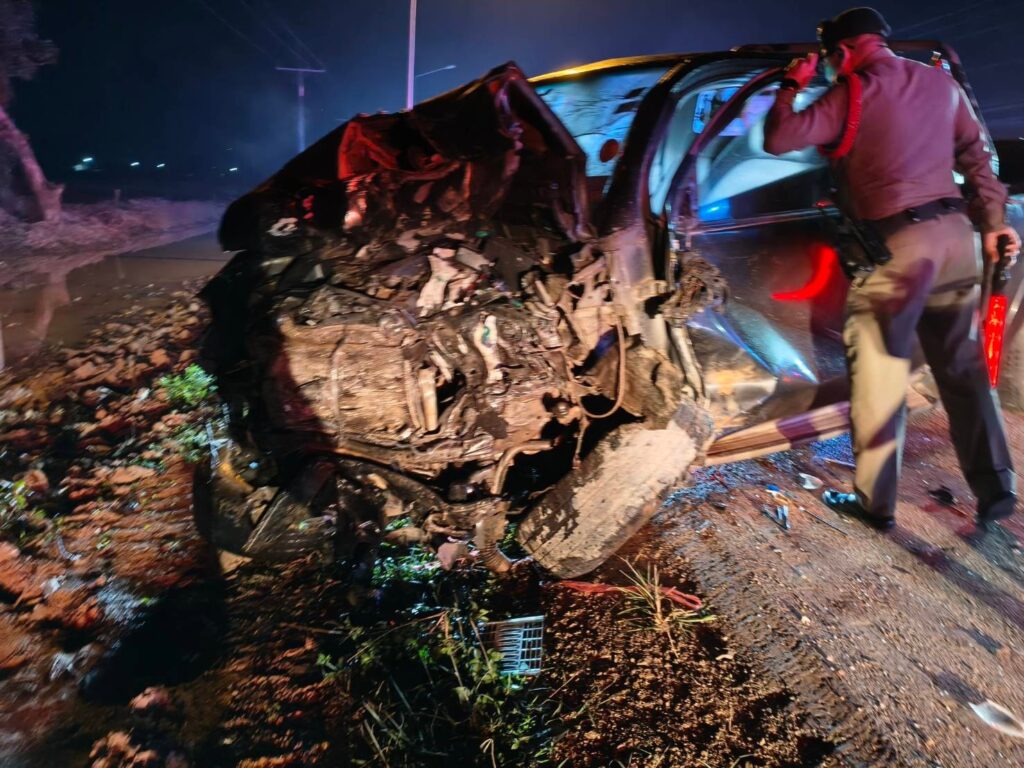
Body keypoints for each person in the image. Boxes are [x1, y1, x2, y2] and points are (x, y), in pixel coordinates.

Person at [762, 7, 1021, 530]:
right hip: (955, 241)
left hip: (898, 250)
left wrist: (791, 85)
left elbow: (779, 138)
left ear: (843, 51)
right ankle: (997, 489)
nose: (829, 69)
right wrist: (993, 223)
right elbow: (977, 157)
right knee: (964, 369)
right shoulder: (940, 83)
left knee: (879, 377)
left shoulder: (852, 92)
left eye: (829, 60)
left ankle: (875, 505)